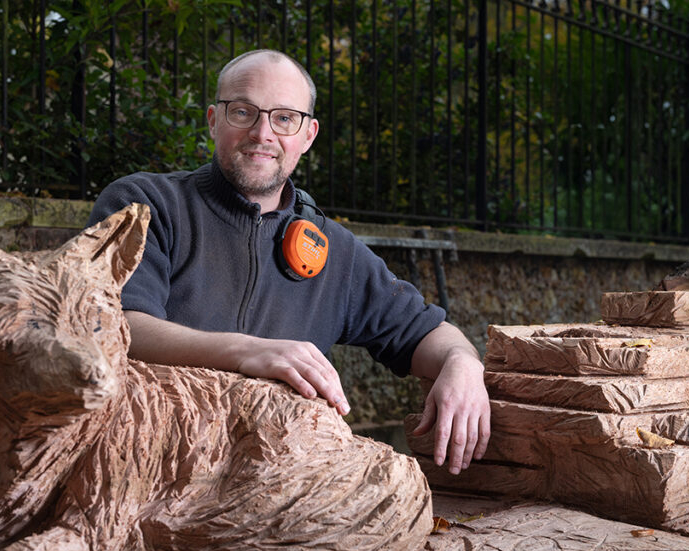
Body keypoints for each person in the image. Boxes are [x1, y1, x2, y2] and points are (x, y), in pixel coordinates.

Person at [86, 49, 491, 476]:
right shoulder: (144, 204)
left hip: (275, 483)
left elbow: (427, 332)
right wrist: (248, 352)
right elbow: (116, 325)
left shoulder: (336, 251)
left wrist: (463, 363)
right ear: (212, 120)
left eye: (284, 118)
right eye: (243, 111)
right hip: (138, 465)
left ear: (308, 134)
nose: (262, 133)